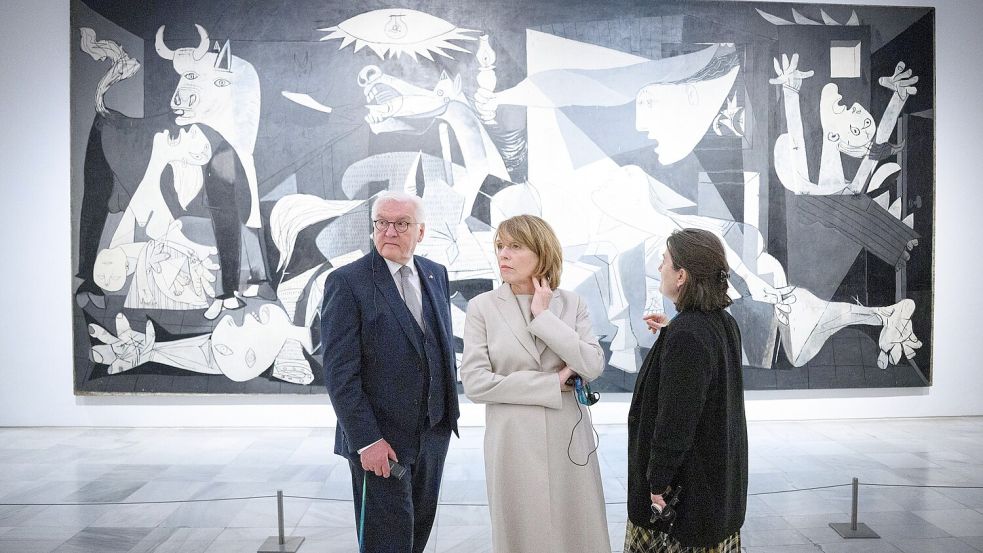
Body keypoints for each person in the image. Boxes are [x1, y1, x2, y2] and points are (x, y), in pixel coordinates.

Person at [320, 190, 460, 553]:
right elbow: (339, 375)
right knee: (386, 543)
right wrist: (367, 440)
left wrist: (444, 419)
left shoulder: (435, 274)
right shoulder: (347, 282)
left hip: (432, 436)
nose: (390, 231)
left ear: (421, 232)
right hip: (381, 444)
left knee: (416, 537)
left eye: (401, 224)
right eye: (382, 222)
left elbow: (438, 349)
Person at [460, 214, 610, 553]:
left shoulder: (571, 303)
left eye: (515, 246)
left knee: (577, 530)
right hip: (512, 440)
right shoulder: (482, 307)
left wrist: (545, 318)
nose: (503, 255)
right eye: (500, 246)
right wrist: (552, 381)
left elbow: (592, 364)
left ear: (542, 252)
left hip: (568, 438)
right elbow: (475, 383)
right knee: (521, 535)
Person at [625, 228, 748, 553]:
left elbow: (676, 421)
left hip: (684, 507)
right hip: (715, 499)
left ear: (681, 275)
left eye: (664, 261)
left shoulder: (688, 334)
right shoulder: (720, 323)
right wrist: (672, 332)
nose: (658, 267)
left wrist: (657, 485)